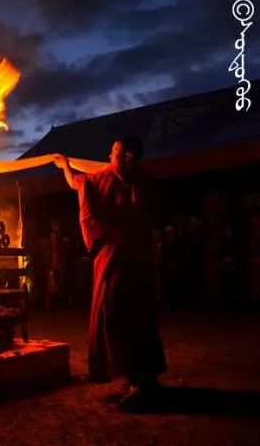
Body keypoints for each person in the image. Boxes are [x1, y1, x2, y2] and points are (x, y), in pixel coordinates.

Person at [53, 136, 166, 411]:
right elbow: (81, 183)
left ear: (128, 156)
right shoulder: (140, 180)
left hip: (122, 260)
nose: (108, 154)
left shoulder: (127, 181)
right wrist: (66, 166)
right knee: (132, 315)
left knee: (120, 314)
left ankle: (142, 383)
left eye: (114, 151)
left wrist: (65, 167)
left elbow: (80, 184)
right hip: (132, 259)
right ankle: (139, 378)